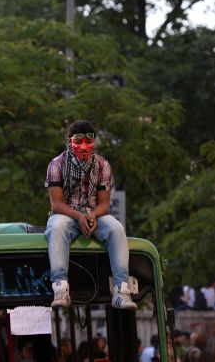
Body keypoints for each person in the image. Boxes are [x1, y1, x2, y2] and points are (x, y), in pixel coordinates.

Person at [44, 120, 137, 310]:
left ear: (94, 142)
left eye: (89, 142)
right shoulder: (56, 164)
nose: (84, 148)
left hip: (95, 213)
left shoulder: (103, 165)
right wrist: (79, 217)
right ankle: (60, 287)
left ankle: (122, 290)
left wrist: (92, 215)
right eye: (79, 142)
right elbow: (56, 204)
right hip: (67, 213)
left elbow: (104, 204)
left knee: (117, 229)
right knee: (57, 226)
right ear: (70, 141)